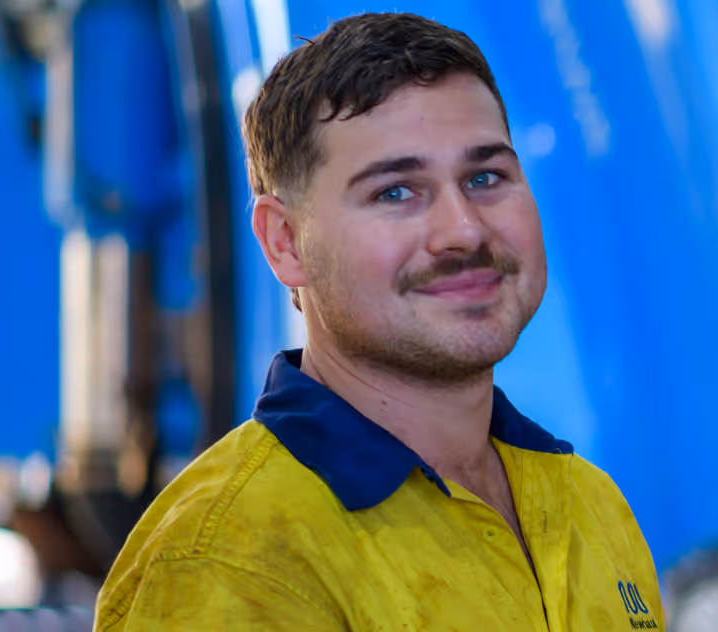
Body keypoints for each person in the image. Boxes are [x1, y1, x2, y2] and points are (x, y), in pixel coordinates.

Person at [95, 12, 663, 630]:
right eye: (395, 192)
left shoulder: (590, 502)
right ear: (285, 242)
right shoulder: (230, 559)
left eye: (485, 177)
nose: (463, 231)